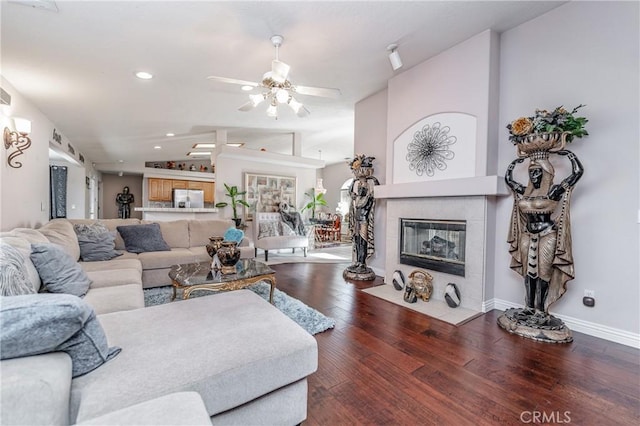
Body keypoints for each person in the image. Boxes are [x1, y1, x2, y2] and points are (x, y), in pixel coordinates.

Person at [505, 150, 583, 324]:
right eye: (531, 171)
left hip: (547, 235)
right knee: (528, 273)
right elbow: (509, 181)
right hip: (527, 234)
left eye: (537, 171)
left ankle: (541, 309)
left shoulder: (554, 191)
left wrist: (569, 155)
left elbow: (577, 173)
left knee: (543, 273)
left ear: (546, 172)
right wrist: (513, 164)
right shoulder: (526, 192)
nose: (533, 175)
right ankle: (529, 307)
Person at [346, 155, 379, 275]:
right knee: (357, 241)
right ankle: (357, 261)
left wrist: (369, 182)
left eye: (362, 187)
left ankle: (362, 262)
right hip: (357, 219)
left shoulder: (369, 194)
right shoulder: (357, 196)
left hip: (364, 219)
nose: (360, 188)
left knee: (363, 241)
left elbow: (376, 189)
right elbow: (350, 192)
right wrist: (354, 183)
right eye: (359, 187)